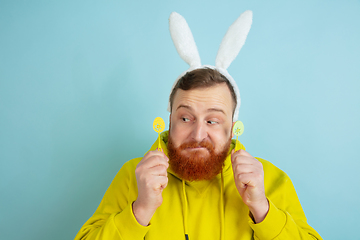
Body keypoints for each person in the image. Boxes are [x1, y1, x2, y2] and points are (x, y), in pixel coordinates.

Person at [75, 11, 322, 240]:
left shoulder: (270, 181)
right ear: (169, 121)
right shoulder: (134, 175)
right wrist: (140, 210)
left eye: (213, 120)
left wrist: (262, 208)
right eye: (185, 118)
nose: (198, 133)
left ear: (233, 127)